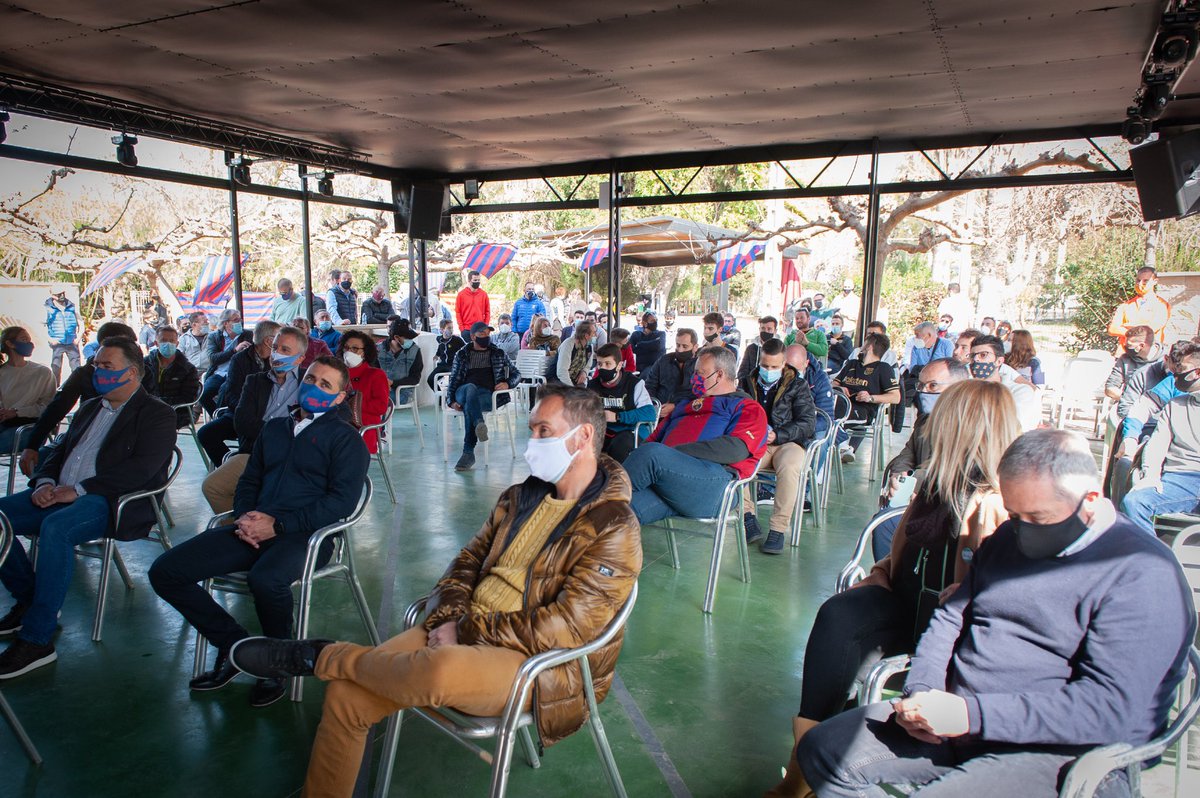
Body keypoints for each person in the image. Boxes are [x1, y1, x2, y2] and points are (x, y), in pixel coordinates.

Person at [229, 385, 639, 793]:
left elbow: (568, 629)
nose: (532, 442)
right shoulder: (520, 497)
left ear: (583, 437)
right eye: (531, 430)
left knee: (437, 670)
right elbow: (466, 562)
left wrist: (465, 632)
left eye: (543, 431)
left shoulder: (614, 525)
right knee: (345, 699)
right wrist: (453, 618)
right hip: (463, 624)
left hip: (538, 663)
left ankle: (322, 655)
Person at [794, 428, 1195, 798]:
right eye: (1014, 515)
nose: (1019, 529)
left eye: (1036, 518)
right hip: (960, 720)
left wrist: (973, 715)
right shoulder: (1011, 536)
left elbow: (1110, 709)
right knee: (824, 751)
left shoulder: (1142, 575)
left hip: (1061, 751)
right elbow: (951, 615)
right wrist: (924, 691)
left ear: (1090, 502)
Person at [766, 380, 1018, 797]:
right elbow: (905, 550)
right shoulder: (935, 484)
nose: (932, 422)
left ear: (965, 428)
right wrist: (880, 570)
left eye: (943, 414)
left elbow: (987, 602)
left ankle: (812, 767)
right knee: (838, 615)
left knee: (849, 648)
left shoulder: (996, 505)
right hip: (905, 599)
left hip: (946, 631)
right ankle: (802, 769)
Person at [150, 357, 369, 708]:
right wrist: (244, 517)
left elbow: (340, 504)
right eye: (310, 378)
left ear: (340, 397)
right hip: (252, 528)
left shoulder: (346, 441)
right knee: (165, 572)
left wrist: (278, 525)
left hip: (308, 537)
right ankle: (237, 648)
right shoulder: (275, 429)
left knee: (266, 579)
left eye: (326, 385)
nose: (314, 387)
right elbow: (250, 480)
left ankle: (274, 664)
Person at [0, 338, 175, 678]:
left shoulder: (156, 414)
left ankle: (37, 640)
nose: (97, 372)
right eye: (96, 366)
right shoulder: (91, 406)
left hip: (110, 501)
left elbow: (141, 470)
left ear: (132, 372)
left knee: (57, 528)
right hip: (59, 492)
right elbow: (58, 451)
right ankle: (30, 599)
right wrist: (45, 483)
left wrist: (77, 490)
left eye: (106, 367)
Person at [623, 346, 768, 524]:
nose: (694, 379)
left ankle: (597, 496)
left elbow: (735, 449)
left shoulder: (747, 407)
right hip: (670, 483)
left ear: (720, 375)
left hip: (715, 486)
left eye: (700, 373)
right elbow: (653, 440)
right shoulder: (684, 405)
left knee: (652, 454)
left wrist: (672, 455)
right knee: (619, 512)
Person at [200, 326, 309, 514]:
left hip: (292, 456)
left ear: (299, 358)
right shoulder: (256, 381)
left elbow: (326, 419)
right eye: (275, 348)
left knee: (280, 495)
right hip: (253, 454)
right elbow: (242, 423)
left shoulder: (309, 383)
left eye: (285, 350)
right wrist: (281, 433)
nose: (276, 355)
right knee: (212, 487)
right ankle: (240, 531)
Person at [15, 322, 137, 479]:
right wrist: (32, 445)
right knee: (44, 459)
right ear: (103, 345)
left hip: (121, 440)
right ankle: (45, 490)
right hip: (87, 435)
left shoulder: (140, 372)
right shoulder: (84, 374)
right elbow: (56, 409)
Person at [738, 338, 816, 554]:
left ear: (784, 365)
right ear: (759, 361)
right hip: (757, 443)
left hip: (788, 443)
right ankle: (747, 517)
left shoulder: (798, 385)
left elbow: (807, 423)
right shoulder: (746, 382)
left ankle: (778, 529)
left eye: (774, 367)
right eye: (764, 366)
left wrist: (778, 434)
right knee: (736, 463)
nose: (768, 370)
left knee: (790, 468)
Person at [1120, 342, 1200, 532]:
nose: (1176, 374)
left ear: (1197, 373)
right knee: (1134, 502)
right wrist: (1151, 474)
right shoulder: (1175, 404)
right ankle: (1157, 559)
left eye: (1182, 369)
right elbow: (1157, 443)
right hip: (1180, 478)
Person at [197, 321, 281, 468]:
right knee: (206, 433)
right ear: (268, 341)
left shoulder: (278, 360)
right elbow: (231, 394)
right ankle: (230, 468)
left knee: (257, 434)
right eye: (278, 337)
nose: (280, 342)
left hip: (270, 415)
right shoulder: (240, 359)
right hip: (241, 413)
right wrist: (246, 411)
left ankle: (249, 470)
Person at [447, 322, 520, 472]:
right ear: (473, 337)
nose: (486, 337)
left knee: (470, 406)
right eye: (482, 335)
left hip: (488, 395)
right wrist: (451, 401)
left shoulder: (498, 353)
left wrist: (507, 383)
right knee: (470, 389)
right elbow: (453, 379)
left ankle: (468, 453)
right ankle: (479, 423)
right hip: (463, 391)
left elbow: (517, 374)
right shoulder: (462, 354)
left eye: (488, 334)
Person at [832, 332, 901, 462]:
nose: (860, 347)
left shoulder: (883, 368)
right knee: (827, 408)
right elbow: (834, 383)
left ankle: (841, 445)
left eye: (864, 343)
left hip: (862, 410)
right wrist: (839, 388)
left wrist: (870, 398)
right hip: (841, 402)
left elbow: (895, 397)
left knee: (832, 416)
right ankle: (841, 446)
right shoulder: (851, 364)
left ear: (869, 346)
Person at [587, 343, 656, 463]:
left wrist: (617, 417)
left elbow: (650, 413)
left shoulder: (634, 384)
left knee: (619, 445)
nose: (602, 368)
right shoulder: (593, 385)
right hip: (603, 429)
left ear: (619, 365)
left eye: (608, 364)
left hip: (630, 430)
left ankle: (618, 479)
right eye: (599, 364)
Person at [0, 328, 57, 456]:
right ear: (10, 344)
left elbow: (48, 407)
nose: (30, 344)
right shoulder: (2, 372)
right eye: (24, 340)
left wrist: (16, 412)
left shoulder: (42, 372)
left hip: (30, 426)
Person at [969, 334, 1043, 431]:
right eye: (972, 356)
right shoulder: (966, 390)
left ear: (999, 361)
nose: (976, 359)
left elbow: (1040, 383)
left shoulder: (1034, 364)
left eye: (983, 355)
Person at [336, 331, 389, 453]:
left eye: (355, 348)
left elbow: (381, 407)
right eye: (347, 348)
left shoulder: (376, 375)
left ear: (365, 353)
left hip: (363, 428)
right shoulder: (337, 373)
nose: (349, 352)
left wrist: (352, 402)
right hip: (337, 424)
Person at [142, 326, 201, 429]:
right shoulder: (144, 365)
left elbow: (188, 398)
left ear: (177, 344)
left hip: (177, 412)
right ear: (156, 343)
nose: (168, 344)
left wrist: (158, 402)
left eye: (172, 341)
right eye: (163, 340)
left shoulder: (188, 369)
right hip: (147, 409)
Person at [199, 309, 251, 416]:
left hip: (238, 373)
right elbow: (213, 358)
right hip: (219, 373)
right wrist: (234, 350)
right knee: (203, 395)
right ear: (226, 323)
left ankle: (222, 421)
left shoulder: (247, 335)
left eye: (240, 319)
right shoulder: (214, 336)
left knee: (224, 391)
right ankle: (218, 418)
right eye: (236, 320)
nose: (239, 322)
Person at [1108, 265, 1172, 346]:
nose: (1140, 284)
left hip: (1150, 353)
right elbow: (1112, 329)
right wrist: (1138, 329)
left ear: (1155, 281)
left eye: (1145, 281)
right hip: (1125, 353)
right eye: (1138, 280)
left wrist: (1129, 327)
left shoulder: (1162, 305)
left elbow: (1152, 329)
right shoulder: (1125, 306)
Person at [642, 328, 699, 417]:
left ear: (695, 347)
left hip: (686, 414)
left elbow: (701, 395)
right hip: (658, 412)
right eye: (678, 345)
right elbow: (650, 385)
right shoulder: (664, 360)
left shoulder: (700, 366)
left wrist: (677, 406)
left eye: (685, 346)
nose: (680, 350)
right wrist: (654, 405)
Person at [1104, 324, 1161, 401]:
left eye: (1129, 345)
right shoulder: (1125, 359)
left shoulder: (1165, 361)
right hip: (1130, 405)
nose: (1125, 346)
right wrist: (1127, 400)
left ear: (1141, 346)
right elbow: (1111, 387)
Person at [377, 318, 423, 405]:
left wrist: (393, 383)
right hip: (380, 388)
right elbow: (371, 372)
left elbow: (415, 378)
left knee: (378, 399)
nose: (410, 341)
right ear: (396, 337)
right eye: (407, 338)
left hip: (403, 392)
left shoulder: (415, 350)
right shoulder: (378, 350)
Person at [43, 284, 81, 384]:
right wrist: (50, 339)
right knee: (56, 368)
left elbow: (81, 322)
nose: (61, 296)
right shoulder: (47, 308)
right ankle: (55, 390)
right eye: (58, 294)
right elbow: (41, 325)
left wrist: (79, 338)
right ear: (52, 295)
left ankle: (78, 387)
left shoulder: (71, 306)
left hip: (71, 342)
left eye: (62, 293)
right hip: (57, 342)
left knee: (77, 368)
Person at [426, 317, 466, 391]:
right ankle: (441, 399)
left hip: (453, 364)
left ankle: (452, 398)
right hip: (442, 365)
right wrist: (437, 355)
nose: (451, 330)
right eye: (449, 328)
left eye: (452, 328)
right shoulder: (440, 340)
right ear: (442, 330)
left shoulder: (457, 340)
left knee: (453, 380)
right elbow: (440, 348)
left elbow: (466, 348)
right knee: (430, 379)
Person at [736, 316, 780, 381]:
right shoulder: (751, 348)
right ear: (759, 329)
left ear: (775, 331)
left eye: (769, 329)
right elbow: (742, 372)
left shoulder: (780, 349)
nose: (765, 331)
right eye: (763, 328)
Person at [556, 321, 596, 387]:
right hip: (559, 382)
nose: (596, 335)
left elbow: (588, 366)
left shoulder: (589, 347)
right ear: (586, 335)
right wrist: (572, 389)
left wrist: (584, 373)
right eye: (594, 333)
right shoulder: (568, 344)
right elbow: (562, 372)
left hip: (575, 382)